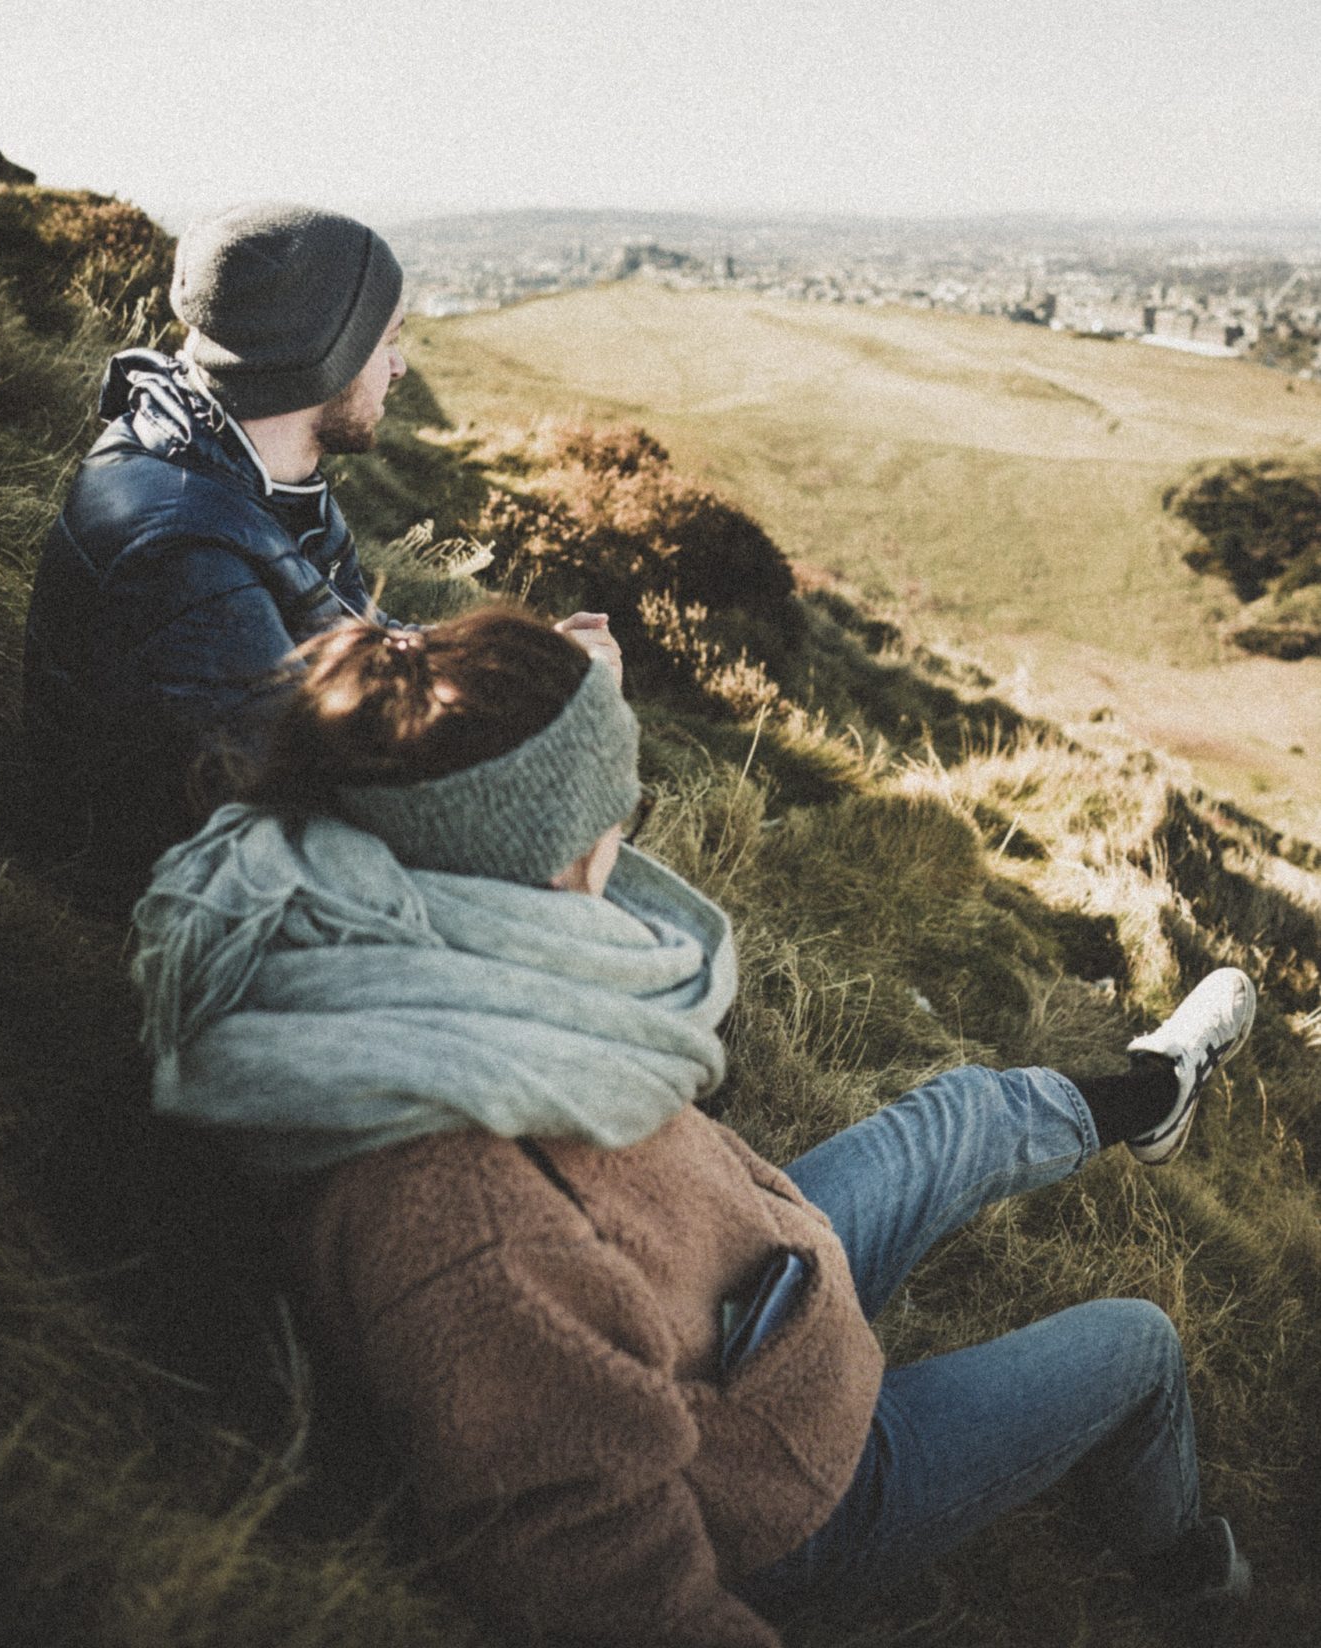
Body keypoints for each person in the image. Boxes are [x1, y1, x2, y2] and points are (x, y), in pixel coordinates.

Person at [129, 608, 1257, 1648]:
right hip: (784, 1489)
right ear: (553, 850)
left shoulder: (404, 929)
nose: (624, 829)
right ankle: (1193, 1583)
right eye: (609, 808)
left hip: (734, 1297)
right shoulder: (461, 1214)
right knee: (1138, 1343)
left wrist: (573, 707)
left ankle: (1148, 1091)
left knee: (959, 1108)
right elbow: (588, 1556)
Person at [22, 201, 616, 906]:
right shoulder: (181, 555)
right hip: (156, 899)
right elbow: (294, 799)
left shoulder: (248, 469)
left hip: (245, 830)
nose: (397, 367)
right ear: (319, 354)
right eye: (385, 341)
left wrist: (516, 677)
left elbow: (341, 639)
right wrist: (545, 735)